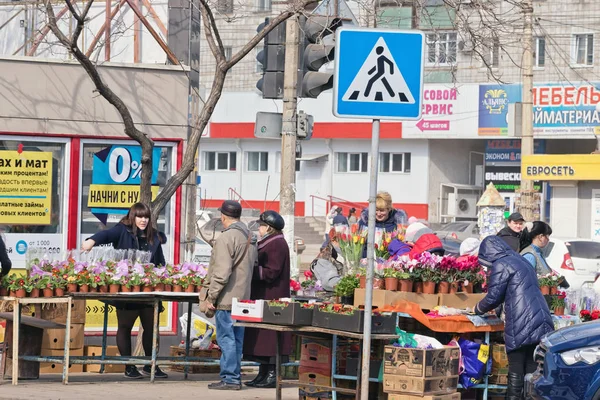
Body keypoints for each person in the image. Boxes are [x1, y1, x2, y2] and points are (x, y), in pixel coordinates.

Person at [81, 202, 168, 380]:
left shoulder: (154, 237)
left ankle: (150, 364)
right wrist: (91, 240)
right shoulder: (122, 230)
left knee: (151, 328)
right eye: (139, 216)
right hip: (128, 288)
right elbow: (106, 234)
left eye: (146, 217)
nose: (143, 220)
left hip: (148, 289)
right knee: (125, 326)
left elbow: (160, 261)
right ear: (132, 217)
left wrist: (162, 276)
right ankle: (128, 366)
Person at [474, 236, 554, 400]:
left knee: (516, 368)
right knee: (532, 372)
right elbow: (513, 291)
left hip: (521, 321)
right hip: (541, 318)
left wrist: (477, 308)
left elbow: (494, 296)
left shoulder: (502, 264)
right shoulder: (520, 260)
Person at [200, 200, 257, 391]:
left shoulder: (227, 238)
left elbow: (222, 273)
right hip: (243, 298)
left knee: (226, 339)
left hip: (226, 299)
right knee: (237, 339)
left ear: (223, 217)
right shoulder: (249, 236)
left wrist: (211, 297)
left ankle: (230, 378)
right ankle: (235, 375)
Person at [243, 210, 291, 389]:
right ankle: (262, 372)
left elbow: (272, 271)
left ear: (269, 228)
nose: (259, 229)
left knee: (270, 337)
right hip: (263, 296)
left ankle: (271, 374)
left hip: (273, 296)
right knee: (261, 336)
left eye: (261, 226)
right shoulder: (267, 242)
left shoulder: (277, 243)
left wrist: (250, 271)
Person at [357, 191, 408, 256]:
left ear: (389, 209)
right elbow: (360, 246)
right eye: (376, 210)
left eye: (382, 210)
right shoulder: (365, 222)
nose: (378, 214)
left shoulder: (398, 224)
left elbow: (401, 246)